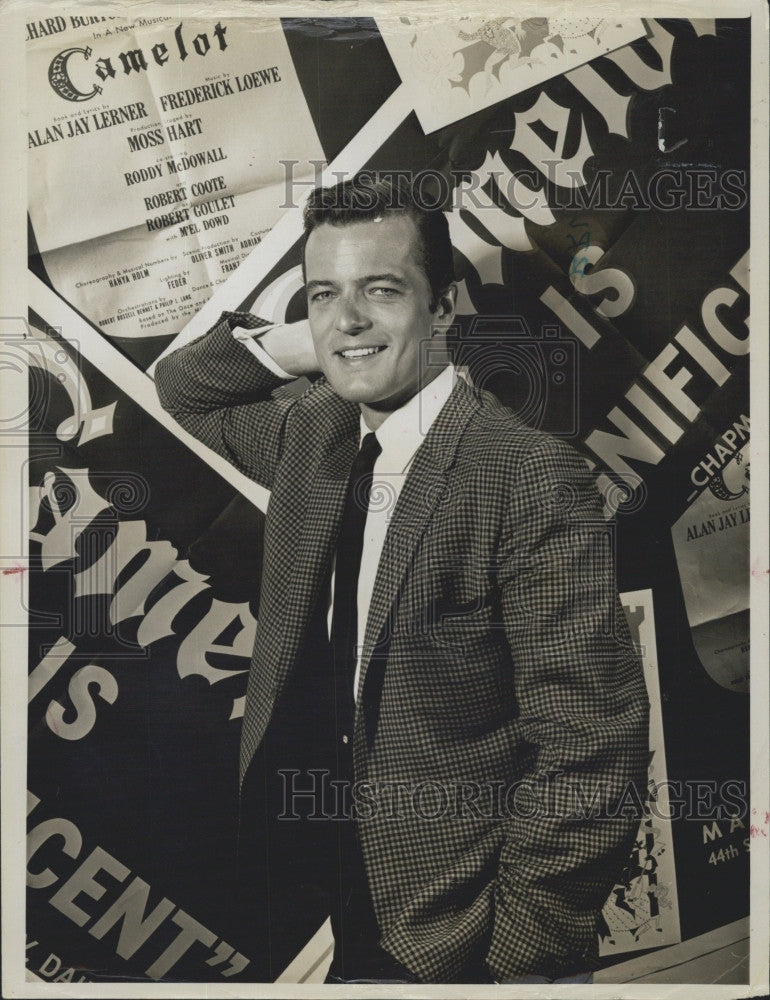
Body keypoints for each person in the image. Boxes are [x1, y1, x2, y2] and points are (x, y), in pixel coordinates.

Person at [154, 174, 649, 985]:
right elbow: (184, 386)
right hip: (330, 891)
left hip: (457, 930)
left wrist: (515, 957)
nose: (347, 318)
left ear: (445, 306)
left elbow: (593, 746)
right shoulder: (311, 432)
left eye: (381, 291)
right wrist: (322, 336)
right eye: (323, 294)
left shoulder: (526, 476)